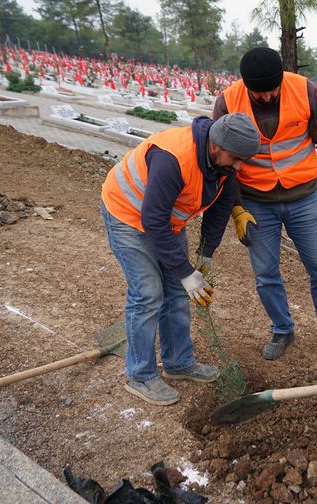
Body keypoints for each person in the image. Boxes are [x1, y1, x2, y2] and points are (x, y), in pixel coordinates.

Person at [100, 113, 260, 405]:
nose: (239, 166)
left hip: (166, 220)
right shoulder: (172, 158)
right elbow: (153, 220)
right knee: (148, 294)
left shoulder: (224, 164)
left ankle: (178, 362)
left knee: (176, 292)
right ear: (216, 146)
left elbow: (219, 208)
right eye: (236, 158)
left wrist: (206, 254)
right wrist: (186, 272)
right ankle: (141, 375)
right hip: (126, 213)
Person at [212, 46, 317, 360]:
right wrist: (236, 209)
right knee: (265, 273)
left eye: (271, 90)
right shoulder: (228, 101)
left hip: (303, 198)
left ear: (281, 79)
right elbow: (222, 161)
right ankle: (281, 329)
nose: (264, 97)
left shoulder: (304, 91)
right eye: (256, 92)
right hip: (256, 201)